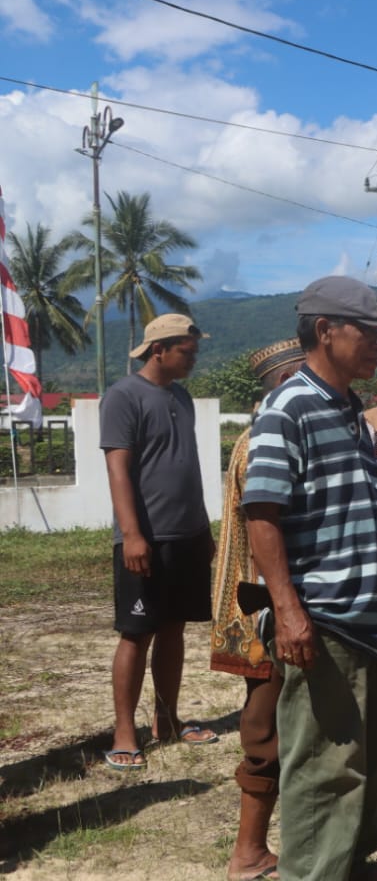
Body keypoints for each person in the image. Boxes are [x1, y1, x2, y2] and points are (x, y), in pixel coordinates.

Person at [244, 275, 377, 881]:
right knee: (323, 761)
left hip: (365, 617)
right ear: (324, 331)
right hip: (324, 614)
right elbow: (262, 513)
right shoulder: (290, 408)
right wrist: (288, 610)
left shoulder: (346, 408)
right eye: (367, 331)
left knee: (367, 759)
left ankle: (351, 869)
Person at [99, 313, 219, 772]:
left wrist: (203, 528)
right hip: (146, 538)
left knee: (174, 628)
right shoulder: (123, 396)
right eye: (187, 352)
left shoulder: (180, 397)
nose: (193, 359)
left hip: (186, 535)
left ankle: (167, 720)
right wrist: (131, 534)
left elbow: (186, 467)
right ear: (159, 350)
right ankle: (124, 731)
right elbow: (118, 469)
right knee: (136, 634)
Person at [212, 337, 304, 881]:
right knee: (264, 725)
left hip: (259, 601)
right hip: (262, 606)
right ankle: (249, 852)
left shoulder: (259, 434)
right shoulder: (264, 441)